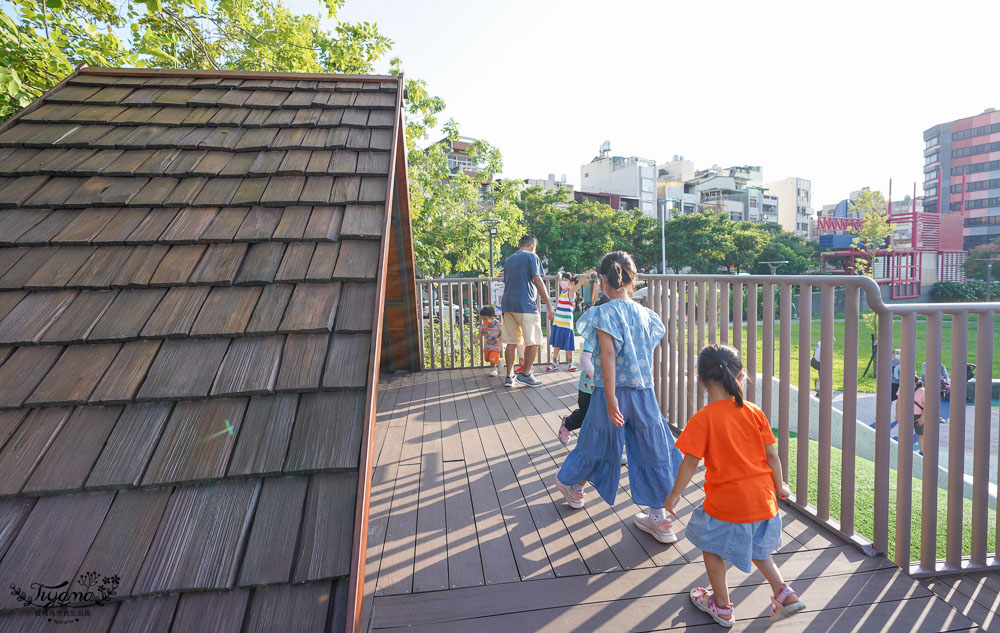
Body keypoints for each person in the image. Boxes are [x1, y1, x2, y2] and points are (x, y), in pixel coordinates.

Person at [665, 344, 805, 627]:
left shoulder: (703, 419)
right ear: (740, 377)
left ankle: (722, 605)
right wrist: (780, 487)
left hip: (726, 503)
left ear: (702, 381)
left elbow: (691, 462)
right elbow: (772, 455)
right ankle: (784, 592)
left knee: (710, 545)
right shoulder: (754, 412)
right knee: (757, 549)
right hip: (763, 500)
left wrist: (675, 494)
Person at [553, 251, 682, 545]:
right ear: (633, 279)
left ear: (602, 280)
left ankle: (572, 485)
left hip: (607, 392)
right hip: (643, 392)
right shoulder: (647, 315)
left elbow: (608, 354)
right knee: (652, 448)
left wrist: (611, 397)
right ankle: (660, 520)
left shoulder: (603, 313)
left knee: (597, 442)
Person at [501, 234, 554, 388]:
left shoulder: (509, 259)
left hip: (508, 304)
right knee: (535, 341)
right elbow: (537, 280)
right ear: (532, 246)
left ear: (520, 245)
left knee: (512, 341)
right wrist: (549, 305)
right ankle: (525, 374)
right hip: (526, 305)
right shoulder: (532, 256)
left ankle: (509, 376)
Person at [546, 270, 590, 372]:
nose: (563, 282)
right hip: (558, 323)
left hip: (566, 324)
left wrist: (586, 276)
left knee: (569, 345)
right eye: (562, 280)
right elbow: (559, 275)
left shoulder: (571, 292)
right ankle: (554, 362)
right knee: (556, 344)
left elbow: (579, 284)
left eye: (566, 280)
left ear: (571, 283)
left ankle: (571, 362)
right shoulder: (563, 292)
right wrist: (560, 272)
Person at [897, 375, 926, 455]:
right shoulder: (902, 388)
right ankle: (904, 451)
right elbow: (898, 402)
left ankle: (922, 452)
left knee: (920, 434)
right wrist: (898, 414)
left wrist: (922, 418)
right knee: (904, 433)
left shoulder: (922, 391)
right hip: (906, 415)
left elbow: (926, 405)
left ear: (916, 383)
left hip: (918, 415)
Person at [476, 306, 503, 377]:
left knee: (492, 358)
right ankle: (499, 361)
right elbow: (481, 333)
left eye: (485, 319)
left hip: (496, 346)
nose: (484, 321)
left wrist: (499, 339)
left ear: (492, 318)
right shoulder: (484, 325)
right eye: (482, 319)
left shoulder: (499, 324)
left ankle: (493, 369)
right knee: (487, 359)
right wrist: (476, 339)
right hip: (487, 346)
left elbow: (503, 334)